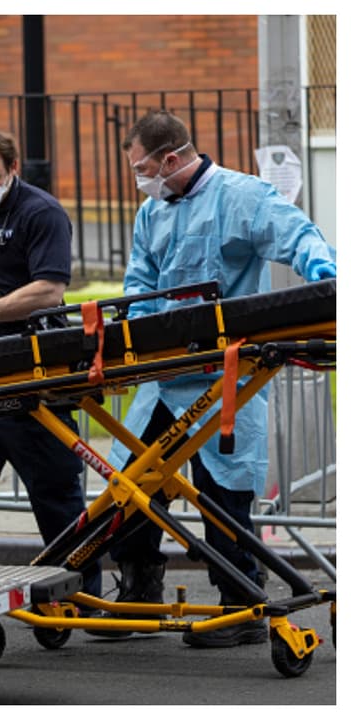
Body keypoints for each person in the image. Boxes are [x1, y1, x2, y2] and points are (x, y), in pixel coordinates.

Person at [92, 110, 336, 647]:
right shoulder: (153, 212)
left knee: (221, 490)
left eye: (143, 169)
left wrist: (327, 281)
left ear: (171, 159)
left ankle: (241, 601)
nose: (141, 181)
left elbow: (297, 235)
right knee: (134, 482)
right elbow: (139, 279)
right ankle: (138, 588)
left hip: (221, 376)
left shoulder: (242, 197)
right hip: (163, 374)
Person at [0, 125, 101, 602]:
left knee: (55, 492)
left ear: (13, 170)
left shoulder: (39, 213)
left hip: (29, 374)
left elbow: (49, 289)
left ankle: (80, 594)